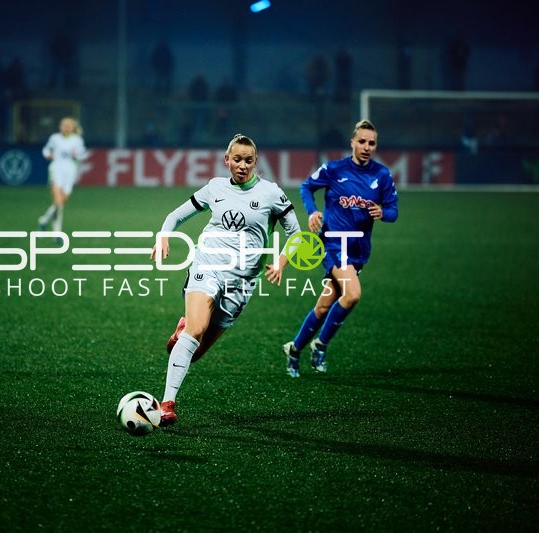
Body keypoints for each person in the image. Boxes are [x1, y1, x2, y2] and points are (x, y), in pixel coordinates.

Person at [150, 133, 301, 426]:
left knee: (194, 353)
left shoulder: (271, 193)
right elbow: (175, 215)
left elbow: (295, 234)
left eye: (248, 160)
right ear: (227, 161)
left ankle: (183, 331)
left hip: (242, 282)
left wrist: (281, 261)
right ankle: (167, 404)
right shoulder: (215, 188)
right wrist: (164, 236)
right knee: (196, 329)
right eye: (237, 159)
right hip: (207, 265)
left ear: (256, 162)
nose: (242, 165)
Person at [282, 119, 398, 377]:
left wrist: (383, 212)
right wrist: (312, 212)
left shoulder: (382, 175)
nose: (367, 147)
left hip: (358, 250)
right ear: (352, 143)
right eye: (362, 142)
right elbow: (306, 187)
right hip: (334, 244)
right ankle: (321, 345)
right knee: (353, 294)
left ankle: (294, 349)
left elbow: (393, 211)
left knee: (324, 306)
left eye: (372, 143)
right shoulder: (334, 169)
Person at [38, 117, 87, 236]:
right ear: (60, 127)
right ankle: (57, 233)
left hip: (70, 171)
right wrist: (48, 154)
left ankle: (44, 220)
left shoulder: (77, 140)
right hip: (56, 169)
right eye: (64, 125)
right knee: (58, 201)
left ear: (72, 128)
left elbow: (82, 155)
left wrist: (77, 155)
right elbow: (46, 149)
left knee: (61, 201)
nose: (66, 128)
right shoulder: (54, 138)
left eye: (68, 126)